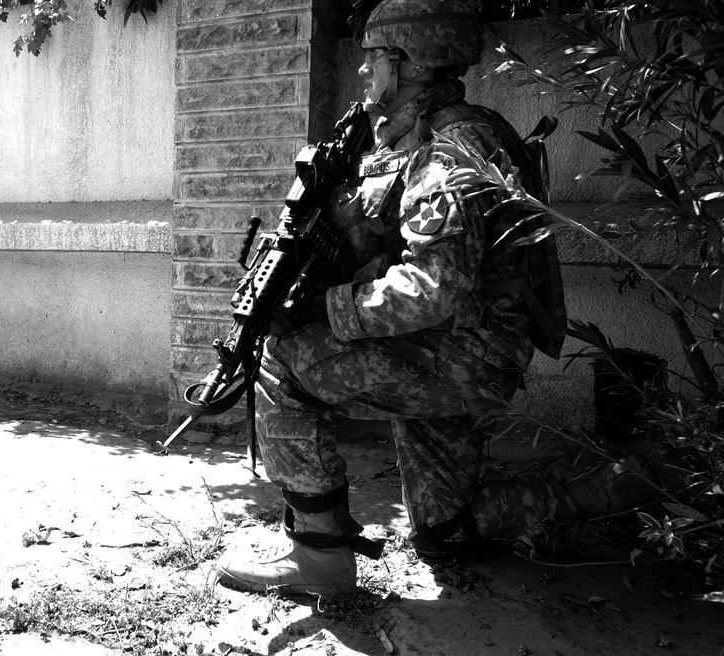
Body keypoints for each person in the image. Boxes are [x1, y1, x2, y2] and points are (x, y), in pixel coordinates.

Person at [215, 0, 659, 597]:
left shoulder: (449, 150)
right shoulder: (414, 135)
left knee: (284, 362)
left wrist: (325, 308)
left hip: (460, 355)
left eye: (374, 56)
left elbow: (432, 289)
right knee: (443, 532)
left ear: (410, 63)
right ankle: (614, 487)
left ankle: (320, 559)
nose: (363, 69)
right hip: (456, 348)